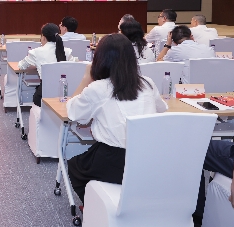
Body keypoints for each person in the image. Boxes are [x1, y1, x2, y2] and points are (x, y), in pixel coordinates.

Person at [66, 33, 168, 203]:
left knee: (75, 166)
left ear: (100, 59)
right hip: (149, 158)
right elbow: (162, 109)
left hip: (114, 160)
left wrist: (85, 79)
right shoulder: (147, 83)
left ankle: (96, 206)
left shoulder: (98, 88)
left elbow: (73, 112)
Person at [17, 23, 74, 107]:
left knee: (36, 95)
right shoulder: (67, 51)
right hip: (66, 93)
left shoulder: (36, 52)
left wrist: (36, 65)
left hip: (44, 95)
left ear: (43, 37)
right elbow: (74, 66)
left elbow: (21, 66)